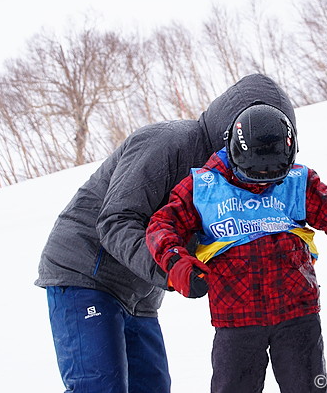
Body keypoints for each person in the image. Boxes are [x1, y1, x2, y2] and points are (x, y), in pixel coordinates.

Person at [35, 74, 297, 393]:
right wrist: (173, 270)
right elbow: (116, 219)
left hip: (141, 290)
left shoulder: (246, 175)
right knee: (100, 386)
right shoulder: (169, 143)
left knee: (153, 387)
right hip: (85, 273)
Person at [146, 102, 327, 393]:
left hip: (297, 312)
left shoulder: (297, 180)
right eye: (254, 176)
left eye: (274, 176)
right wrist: (176, 263)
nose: (264, 183)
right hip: (235, 317)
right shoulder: (204, 186)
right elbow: (161, 226)